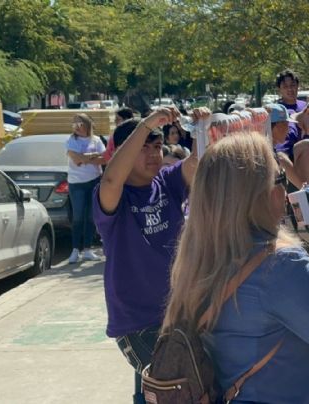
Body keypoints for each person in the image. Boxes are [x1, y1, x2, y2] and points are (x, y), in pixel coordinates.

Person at [162, 134, 309, 403]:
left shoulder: (198, 259)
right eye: (280, 179)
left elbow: (287, 315)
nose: (285, 192)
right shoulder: (280, 264)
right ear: (260, 193)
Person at [93, 106, 204, 404]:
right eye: (143, 148)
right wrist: (144, 125)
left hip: (179, 313)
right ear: (122, 154)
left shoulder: (167, 182)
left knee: (163, 391)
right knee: (175, 386)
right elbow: (111, 181)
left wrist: (204, 128)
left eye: (157, 146)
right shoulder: (112, 196)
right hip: (137, 322)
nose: (153, 154)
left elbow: (197, 164)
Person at [66, 113, 105, 263]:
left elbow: (103, 157)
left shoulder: (96, 140)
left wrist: (85, 157)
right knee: (78, 217)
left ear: (87, 125)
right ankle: (75, 249)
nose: (76, 126)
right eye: (74, 123)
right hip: (77, 183)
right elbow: (76, 160)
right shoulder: (71, 141)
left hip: (94, 180)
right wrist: (91, 157)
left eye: (79, 123)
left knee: (90, 217)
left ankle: (87, 249)